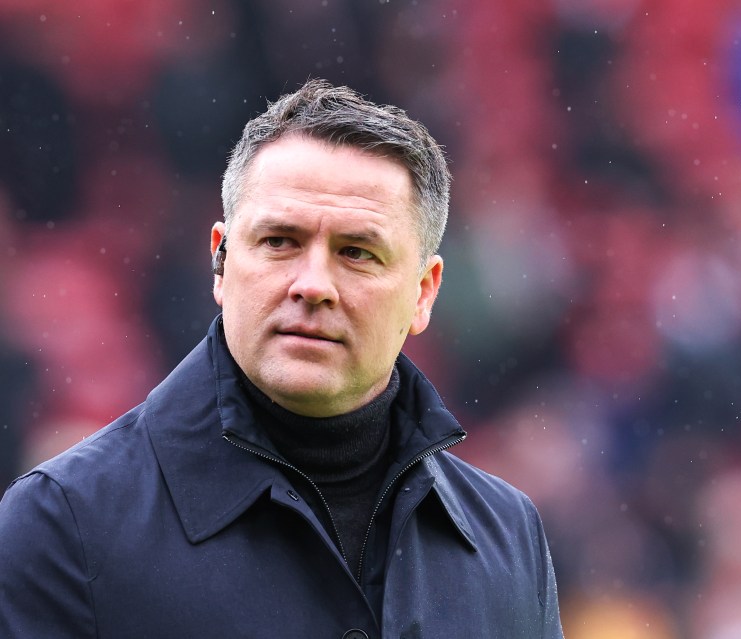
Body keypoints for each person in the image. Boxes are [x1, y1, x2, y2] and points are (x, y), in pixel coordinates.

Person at [0, 79, 564, 638]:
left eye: (357, 252)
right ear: (220, 262)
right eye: (279, 241)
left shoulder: (508, 536)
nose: (313, 284)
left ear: (424, 292)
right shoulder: (62, 525)